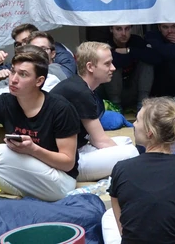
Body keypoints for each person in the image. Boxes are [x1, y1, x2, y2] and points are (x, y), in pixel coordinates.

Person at [0, 48, 79, 212]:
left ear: (39, 81)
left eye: (23, 75)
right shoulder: (5, 101)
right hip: (21, 179)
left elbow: (67, 163)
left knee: (1, 152)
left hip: (59, 183)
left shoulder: (60, 109)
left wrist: (33, 149)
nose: (13, 79)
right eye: (12, 72)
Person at [107, 97, 175, 244]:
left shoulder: (121, 169)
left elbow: (125, 234)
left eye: (137, 120)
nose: (134, 124)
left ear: (150, 132)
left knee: (107, 217)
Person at [51, 42, 138, 181]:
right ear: (90, 67)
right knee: (132, 152)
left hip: (76, 148)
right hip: (67, 163)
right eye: (107, 64)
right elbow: (100, 141)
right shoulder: (80, 92)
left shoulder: (77, 85)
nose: (113, 68)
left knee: (125, 141)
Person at [102, 25, 161, 111]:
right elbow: (112, 61)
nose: (123, 33)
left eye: (127, 29)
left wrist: (129, 50)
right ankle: (116, 107)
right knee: (111, 65)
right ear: (111, 29)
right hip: (111, 93)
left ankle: (142, 106)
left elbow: (156, 58)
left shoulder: (136, 40)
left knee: (147, 62)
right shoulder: (105, 43)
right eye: (119, 29)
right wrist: (134, 54)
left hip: (134, 90)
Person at [0, 24, 77, 80]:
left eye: (26, 41)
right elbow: (2, 69)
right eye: (18, 44)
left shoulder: (56, 51)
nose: (23, 46)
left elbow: (67, 75)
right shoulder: (23, 57)